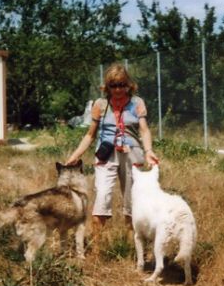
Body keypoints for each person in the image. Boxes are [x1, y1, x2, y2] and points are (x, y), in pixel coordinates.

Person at [66, 63, 160, 243]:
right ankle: (96, 247)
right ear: (107, 87)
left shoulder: (137, 103)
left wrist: (148, 151)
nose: (118, 89)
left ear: (129, 84)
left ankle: (133, 246)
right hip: (107, 154)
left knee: (132, 199)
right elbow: (90, 135)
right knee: (102, 196)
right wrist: (75, 155)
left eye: (122, 85)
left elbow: (144, 130)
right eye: (113, 85)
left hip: (133, 154)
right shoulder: (100, 105)